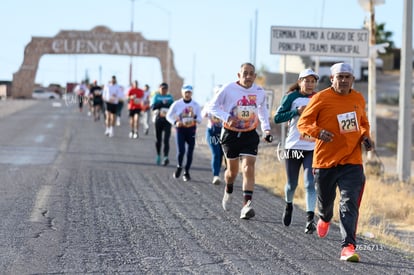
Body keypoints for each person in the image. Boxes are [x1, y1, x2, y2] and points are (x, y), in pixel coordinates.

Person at [297, 63, 374, 262]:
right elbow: (303, 123)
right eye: (339, 77)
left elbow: (363, 123)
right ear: (332, 79)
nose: (343, 80)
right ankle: (323, 217)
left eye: (347, 77)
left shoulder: (357, 98)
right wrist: (318, 132)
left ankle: (348, 247)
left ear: (353, 80)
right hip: (325, 162)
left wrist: (365, 136)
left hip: (352, 161)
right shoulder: (320, 98)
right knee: (326, 204)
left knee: (349, 204)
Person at [207, 62, 273, 220]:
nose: (248, 76)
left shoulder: (259, 91)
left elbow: (262, 111)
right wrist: (226, 117)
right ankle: (228, 190)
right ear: (239, 75)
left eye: (251, 73)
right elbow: (212, 107)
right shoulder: (229, 89)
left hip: (249, 134)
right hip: (230, 134)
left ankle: (246, 206)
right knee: (232, 172)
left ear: (255, 76)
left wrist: (267, 129)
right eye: (245, 73)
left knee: (248, 167)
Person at [274, 69, 319, 234]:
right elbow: (277, 118)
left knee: (309, 183)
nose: (309, 84)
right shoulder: (291, 97)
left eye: (312, 81)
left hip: (312, 147)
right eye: (306, 81)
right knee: (292, 184)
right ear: (300, 82)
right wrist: (296, 112)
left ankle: (309, 219)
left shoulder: (318, 97)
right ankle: (289, 204)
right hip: (293, 145)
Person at [167, 85, 202, 181]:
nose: (187, 94)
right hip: (180, 130)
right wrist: (175, 122)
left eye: (189, 92)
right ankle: (179, 166)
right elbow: (168, 115)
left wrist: (195, 120)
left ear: (192, 93)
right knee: (181, 151)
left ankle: (186, 172)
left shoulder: (196, 105)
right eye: (186, 92)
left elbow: (200, 118)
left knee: (190, 152)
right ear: (182, 93)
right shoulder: (177, 104)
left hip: (191, 130)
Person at [201, 85, 224, 185]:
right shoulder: (209, 104)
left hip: (224, 133)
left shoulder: (227, 104)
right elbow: (202, 115)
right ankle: (216, 175)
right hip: (212, 132)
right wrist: (206, 113)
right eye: (217, 93)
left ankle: (220, 173)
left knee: (222, 154)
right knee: (216, 153)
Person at [150, 82, 174, 165]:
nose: (163, 90)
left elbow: (173, 107)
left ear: (167, 89)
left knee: (166, 139)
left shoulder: (170, 97)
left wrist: (167, 104)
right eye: (162, 88)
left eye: (165, 89)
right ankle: (158, 155)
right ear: (159, 89)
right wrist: (161, 104)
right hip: (158, 119)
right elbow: (153, 107)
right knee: (158, 139)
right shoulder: (156, 96)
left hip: (167, 120)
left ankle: (166, 157)